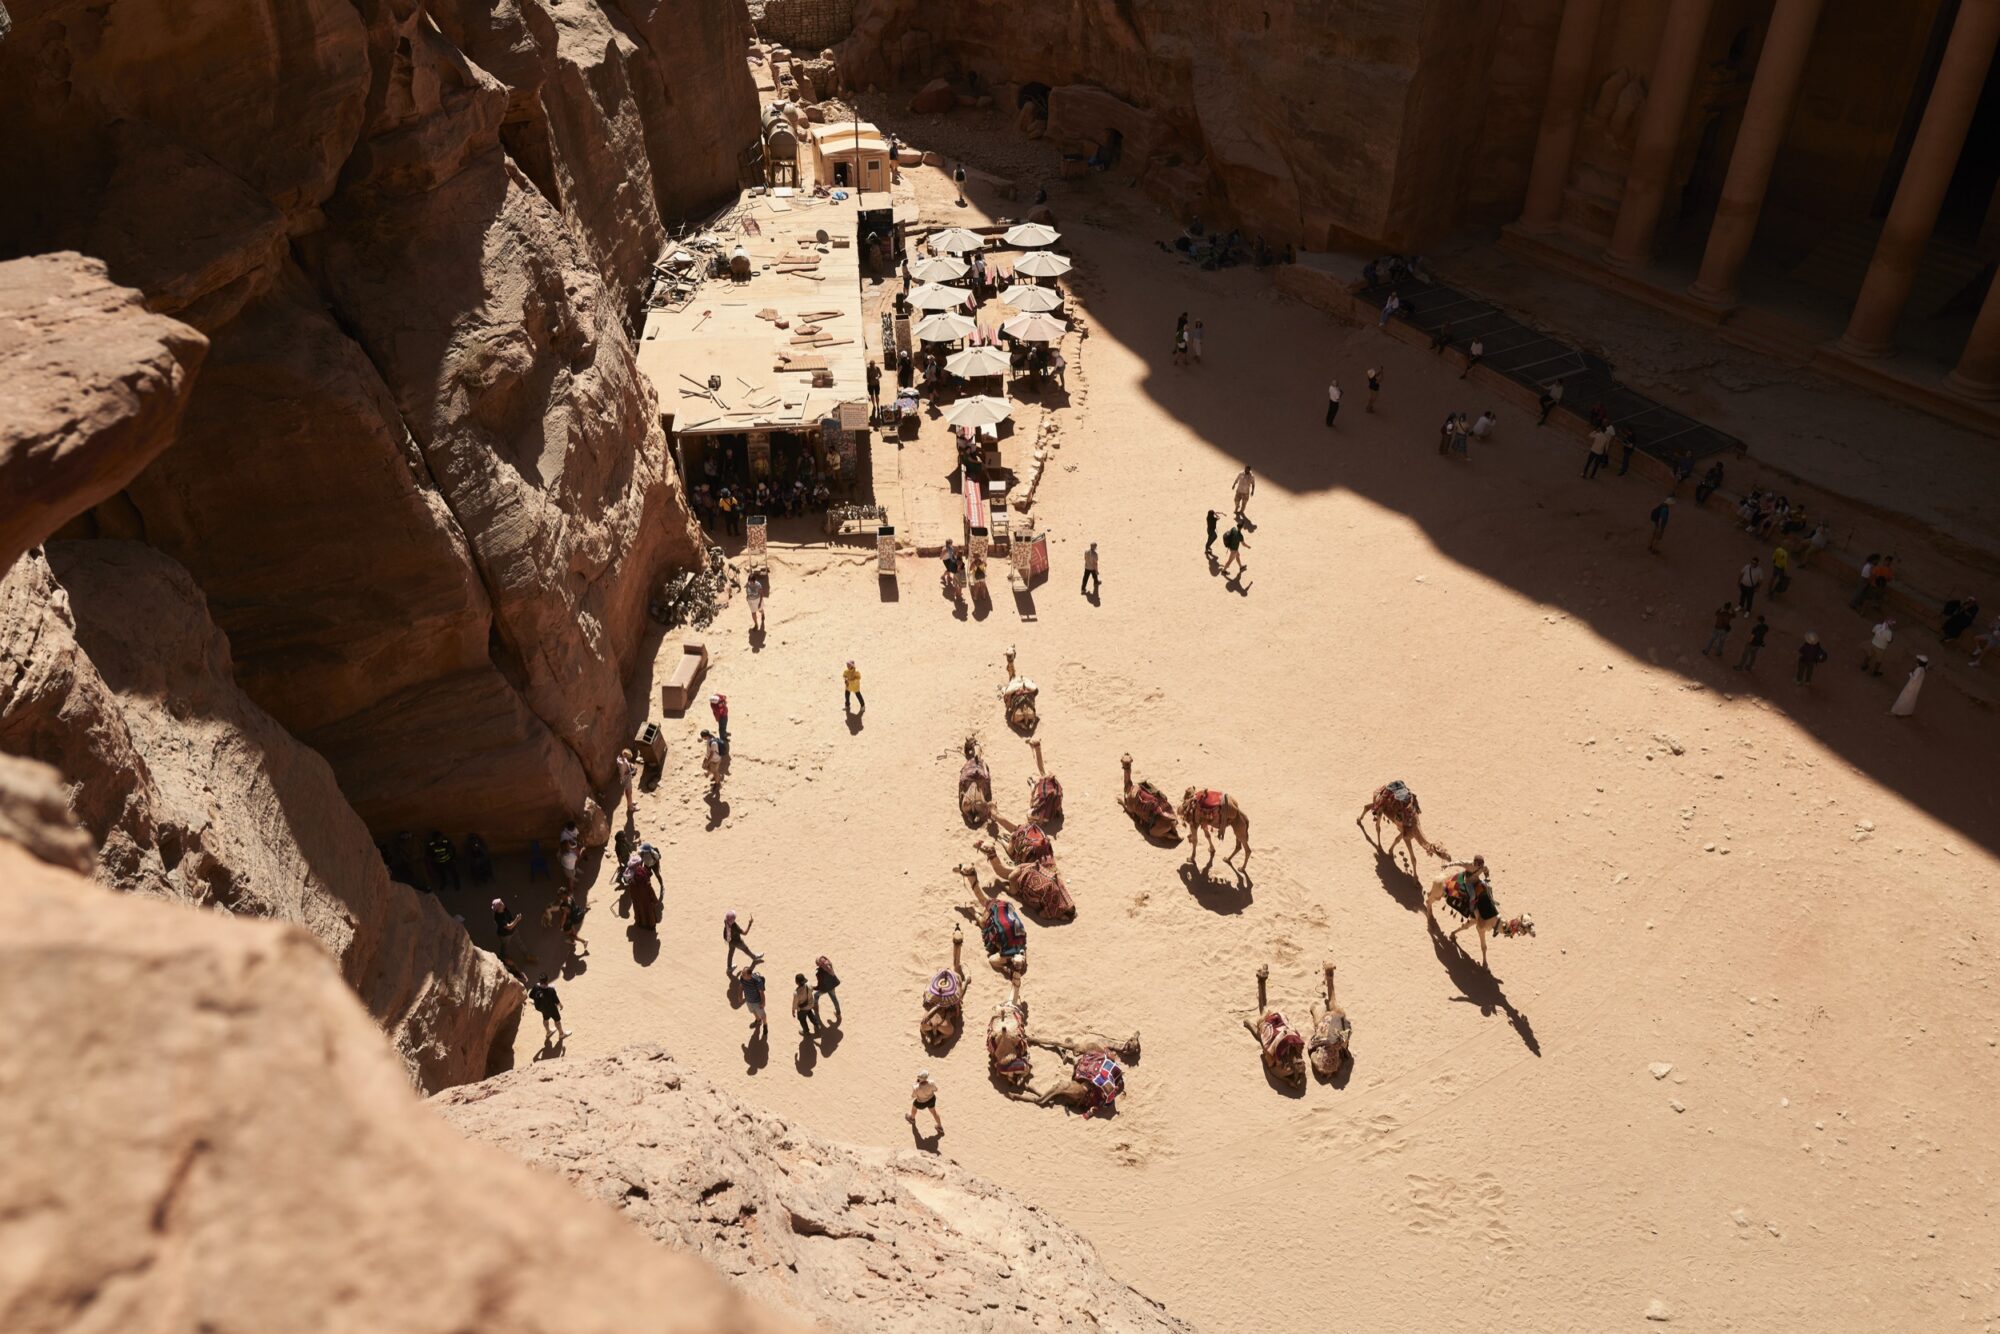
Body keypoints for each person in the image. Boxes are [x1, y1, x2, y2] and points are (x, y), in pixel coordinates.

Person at [492, 897, 534, 970]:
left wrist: (514, 922)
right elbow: (509, 927)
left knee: (520, 942)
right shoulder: (498, 917)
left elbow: (510, 919)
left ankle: (527, 956)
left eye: (502, 902)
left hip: (513, 931)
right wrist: (517, 920)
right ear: (498, 908)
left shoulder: (505, 909)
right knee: (504, 947)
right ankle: (502, 958)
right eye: (501, 903)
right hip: (505, 935)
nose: (503, 903)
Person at [527, 975, 569, 1045]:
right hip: (552, 1008)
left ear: (540, 981)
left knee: (545, 1018)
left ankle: (548, 1032)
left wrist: (538, 998)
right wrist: (560, 1005)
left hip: (542, 1008)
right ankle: (561, 1034)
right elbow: (556, 1000)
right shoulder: (551, 989)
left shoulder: (535, 987)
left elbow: (530, 995)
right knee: (557, 1020)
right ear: (547, 980)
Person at [907, 1070, 943, 1136]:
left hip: (921, 1103)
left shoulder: (916, 1088)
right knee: (934, 1112)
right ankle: (939, 1126)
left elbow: (913, 1096)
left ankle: (912, 1118)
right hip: (931, 1100)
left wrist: (915, 1085)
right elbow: (936, 1089)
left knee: (914, 1107)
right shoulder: (931, 1083)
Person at [738, 962, 768, 1037]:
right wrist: (740, 996)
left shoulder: (757, 981)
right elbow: (741, 987)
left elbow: (761, 993)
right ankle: (758, 1020)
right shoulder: (742, 978)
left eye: (744, 974)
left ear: (749, 975)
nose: (742, 975)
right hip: (748, 1000)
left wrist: (763, 1002)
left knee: (763, 1015)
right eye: (742, 973)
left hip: (757, 1001)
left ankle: (765, 1026)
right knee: (753, 1011)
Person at [813, 955, 842, 1025]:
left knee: (816, 995)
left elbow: (820, 985)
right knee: (834, 999)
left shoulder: (819, 973)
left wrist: (814, 988)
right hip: (832, 986)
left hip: (825, 988)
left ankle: (815, 1006)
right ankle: (838, 1013)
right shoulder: (829, 965)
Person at [614, 747, 639, 820]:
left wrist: (630, 765)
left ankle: (630, 803)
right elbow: (625, 772)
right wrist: (632, 771)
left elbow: (626, 764)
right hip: (626, 778)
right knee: (629, 792)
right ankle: (631, 807)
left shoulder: (620, 758)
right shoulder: (622, 764)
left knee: (628, 792)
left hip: (625, 778)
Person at [558, 818, 581, 892]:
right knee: (570, 879)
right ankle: (571, 889)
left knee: (569, 877)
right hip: (569, 867)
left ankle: (571, 881)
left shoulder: (565, 855)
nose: (573, 830)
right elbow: (577, 857)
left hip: (565, 866)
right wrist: (576, 852)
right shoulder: (563, 835)